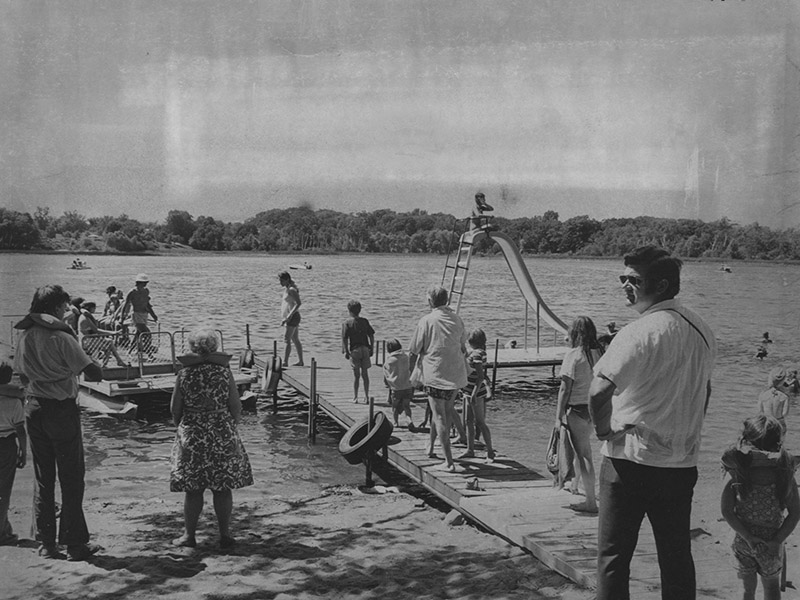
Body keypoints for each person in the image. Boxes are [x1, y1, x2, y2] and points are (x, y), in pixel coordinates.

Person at [588, 246, 717, 600]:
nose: (625, 286)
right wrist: (689, 431)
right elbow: (705, 391)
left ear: (661, 285)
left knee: (614, 557)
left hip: (628, 461)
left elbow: (598, 391)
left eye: (634, 280)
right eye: (623, 278)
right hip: (679, 464)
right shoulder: (702, 329)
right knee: (676, 557)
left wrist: (603, 431)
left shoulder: (638, 331)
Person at [13, 284, 103, 561]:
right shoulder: (62, 338)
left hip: (34, 408)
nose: (66, 312)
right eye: (64, 308)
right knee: (71, 476)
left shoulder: (25, 336)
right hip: (61, 409)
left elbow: (21, 376)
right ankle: (75, 545)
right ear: (55, 308)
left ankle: (47, 543)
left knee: (44, 477)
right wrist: (90, 362)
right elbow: (94, 374)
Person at [169, 329, 253, 549]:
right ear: (214, 348)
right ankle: (225, 535)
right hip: (221, 431)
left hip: (193, 433)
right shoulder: (224, 373)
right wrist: (229, 426)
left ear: (193, 348)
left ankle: (189, 536)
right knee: (222, 487)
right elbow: (236, 406)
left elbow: (175, 409)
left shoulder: (184, 374)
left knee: (193, 489)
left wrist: (182, 427)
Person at [721, 415, 799, 600]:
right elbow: (795, 513)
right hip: (772, 543)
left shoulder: (737, 473)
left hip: (743, 540)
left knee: (747, 590)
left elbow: (727, 512)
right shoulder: (784, 475)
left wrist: (748, 537)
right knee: (771, 588)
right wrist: (778, 540)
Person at [409, 286, 469, 472]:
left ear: (430, 301)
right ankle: (431, 446)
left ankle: (449, 462)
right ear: (447, 300)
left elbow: (414, 350)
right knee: (443, 411)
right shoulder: (457, 319)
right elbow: (463, 344)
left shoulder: (427, 320)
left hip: (436, 374)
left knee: (440, 415)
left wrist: (410, 374)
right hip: (455, 374)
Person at [555, 316, 603, 513]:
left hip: (576, 409)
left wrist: (558, 415)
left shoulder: (573, 355)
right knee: (582, 449)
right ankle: (575, 485)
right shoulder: (600, 352)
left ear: (574, 333)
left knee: (584, 454)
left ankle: (590, 502)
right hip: (595, 408)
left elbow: (564, 389)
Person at [459, 328, 495, 464]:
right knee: (468, 421)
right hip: (468, 391)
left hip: (475, 393)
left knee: (480, 422)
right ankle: (470, 449)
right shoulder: (478, 352)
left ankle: (490, 451)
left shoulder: (477, 355)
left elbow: (480, 376)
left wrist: (474, 394)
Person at [0, 362, 26, 546]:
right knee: (4, 490)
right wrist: (23, 452)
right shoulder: (14, 402)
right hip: (6, 444)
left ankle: (5, 528)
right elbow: (21, 431)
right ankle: (2, 534)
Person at [341, 300, 375, 404]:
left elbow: (345, 338)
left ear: (349, 311)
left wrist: (346, 351)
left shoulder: (347, 323)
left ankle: (355, 397)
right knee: (365, 374)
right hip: (365, 349)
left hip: (355, 350)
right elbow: (371, 335)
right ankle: (366, 397)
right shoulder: (364, 321)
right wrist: (372, 348)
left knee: (356, 376)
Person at [77, 301, 127, 367]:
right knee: (109, 342)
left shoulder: (83, 316)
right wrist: (113, 333)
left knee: (108, 345)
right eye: (94, 308)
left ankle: (105, 364)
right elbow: (96, 330)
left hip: (87, 340)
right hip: (87, 341)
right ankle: (118, 361)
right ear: (90, 308)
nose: (95, 309)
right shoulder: (85, 318)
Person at [121, 273, 158, 355]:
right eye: (143, 283)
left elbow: (147, 304)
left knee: (138, 334)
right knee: (146, 333)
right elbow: (126, 304)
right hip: (136, 314)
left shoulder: (146, 291)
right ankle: (148, 353)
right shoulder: (132, 292)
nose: (145, 284)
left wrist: (153, 315)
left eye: (146, 283)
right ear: (138, 282)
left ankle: (130, 350)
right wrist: (122, 317)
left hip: (144, 314)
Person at [383, 339, 416, 430]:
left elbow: (386, 374)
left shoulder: (389, 360)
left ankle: (395, 422)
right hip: (408, 386)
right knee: (406, 406)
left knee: (395, 406)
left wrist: (387, 383)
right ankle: (409, 420)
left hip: (396, 388)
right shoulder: (406, 357)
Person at [278, 271, 304, 367]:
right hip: (290, 317)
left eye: (282, 280)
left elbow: (298, 303)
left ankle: (285, 362)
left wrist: (289, 316)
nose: (280, 282)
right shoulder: (288, 289)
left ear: (287, 280)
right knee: (295, 339)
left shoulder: (292, 289)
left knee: (287, 339)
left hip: (293, 317)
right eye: (280, 280)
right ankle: (301, 361)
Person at [757, 367, 790, 433]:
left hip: (767, 423)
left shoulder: (763, 394)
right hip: (779, 424)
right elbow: (784, 413)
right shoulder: (784, 396)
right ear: (783, 381)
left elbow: (760, 411)